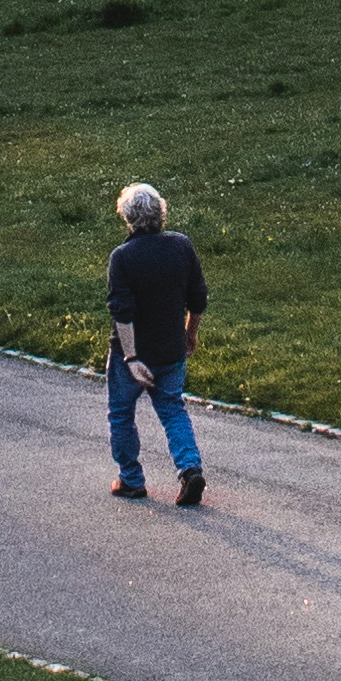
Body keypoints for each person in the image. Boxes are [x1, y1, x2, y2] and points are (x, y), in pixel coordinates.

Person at [105, 179, 207, 509]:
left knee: (121, 415)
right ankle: (190, 470)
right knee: (173, 409)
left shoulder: (122, 257)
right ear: (161, 213)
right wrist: (189, 333)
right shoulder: (181, 246)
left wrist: (132, 356)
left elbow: (123, 311)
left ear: (127, 217)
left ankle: (131, 480)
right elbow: (198, 298)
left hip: (131, 356)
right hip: (171, 350)